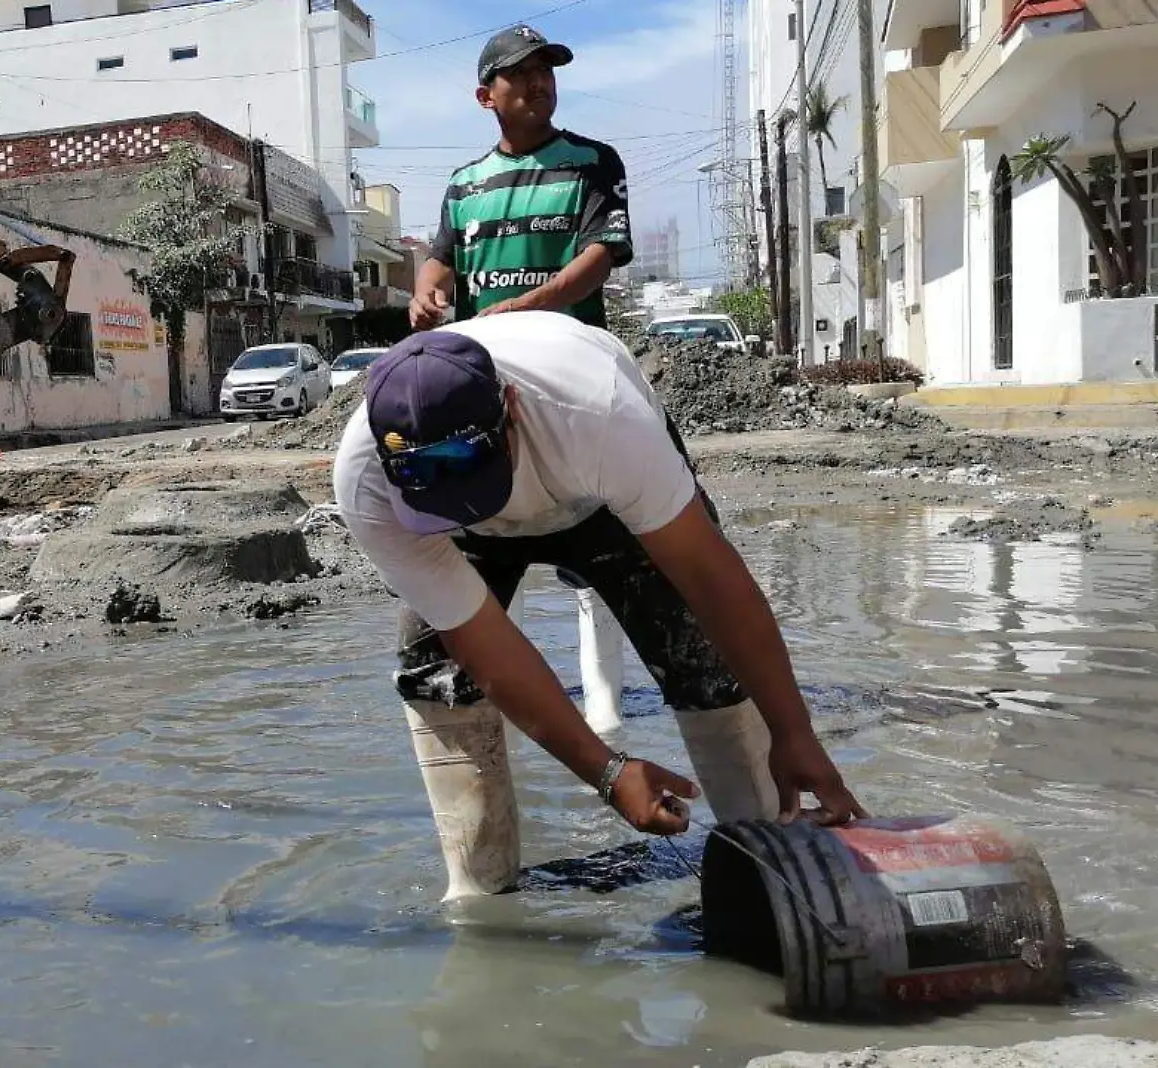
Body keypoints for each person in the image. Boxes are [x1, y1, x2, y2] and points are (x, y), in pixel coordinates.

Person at [332, 312, 867, 902]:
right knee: (437, 675)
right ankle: (481, 892)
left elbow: (712, 580)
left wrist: (794, 730)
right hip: (457, 525)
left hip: (598, 504)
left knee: (702, 662)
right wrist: (607, 773)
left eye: (475, 484)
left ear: (512, 408)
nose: (475, 510)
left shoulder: (601, 415)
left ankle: (768, 861)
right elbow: (487, 649)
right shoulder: (366, 482)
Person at [411, 24, 632, 333]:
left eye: (545, 70)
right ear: (485, 97)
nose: (538, 82)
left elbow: (600, 257)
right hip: (487, 362)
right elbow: (443, 261)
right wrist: (425, 294)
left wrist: (523, 309)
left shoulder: (593, 161)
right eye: (519, 73)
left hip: (571, 357)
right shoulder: (463, 184)